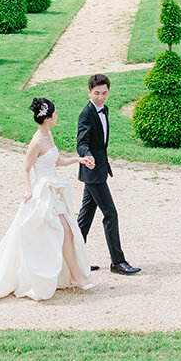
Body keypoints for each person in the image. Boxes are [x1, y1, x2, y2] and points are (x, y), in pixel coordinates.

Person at [0, 98, 97, 304]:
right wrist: (29, 191)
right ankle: (73, 277)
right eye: (54, 114)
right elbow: (26, 169)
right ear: (46, 118)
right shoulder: (37, 141)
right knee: (61, 232)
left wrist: (78, 160)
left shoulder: (49, 134)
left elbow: (57, 161)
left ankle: (73, 275)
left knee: (68, 231)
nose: (56, 116)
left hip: (53, 190)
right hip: (42, 193)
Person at [77, 74, 141, 275]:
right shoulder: (86, 114)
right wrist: (87, 156)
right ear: (89, 92)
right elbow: (82, 143)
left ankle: (73, 260)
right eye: (96, 93)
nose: (100, 97)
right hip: (93, 171)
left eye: (104, 93)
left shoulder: (104, 110)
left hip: (99, 170)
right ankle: (117, 262)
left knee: (85, 217)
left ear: (108, 92)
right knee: (110, 214)